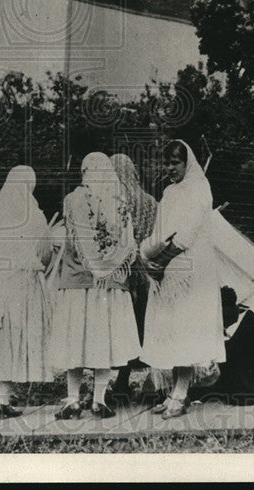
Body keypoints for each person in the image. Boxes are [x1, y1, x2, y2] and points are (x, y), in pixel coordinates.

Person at [50, 152, 140, 420]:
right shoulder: (119, 201)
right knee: (104, 342)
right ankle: (99, 400)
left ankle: (72, 400)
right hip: (109, 286)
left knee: (74, 342)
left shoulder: (73, 200)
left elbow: (69, 240)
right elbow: (129, 247)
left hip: (77, 282)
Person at [139, 140, 225, 419]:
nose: (170, 168)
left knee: (186, 325)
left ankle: (182, 392)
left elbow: (188, 232)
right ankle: (173, 390)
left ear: (187, 162)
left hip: (191, 267)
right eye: (166, 163)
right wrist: (150, 258)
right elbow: (160, 229)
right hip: (168, 266)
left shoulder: (199, 188)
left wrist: (162, 262)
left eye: (175, 162)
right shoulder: (169, 192)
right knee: (171, 327)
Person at [0, 166, 54, 419]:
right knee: (17, 336)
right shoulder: (35, 214)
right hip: (21, 281)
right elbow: (45, 253)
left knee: (0, 338)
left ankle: (4, 396)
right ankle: (5, 397)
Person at [109, 153, 157, 400]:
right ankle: (155, 381)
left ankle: (121, 382)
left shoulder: (114, 201)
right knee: (148, 325)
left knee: (125, 328)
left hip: (124, 272)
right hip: (148, 270)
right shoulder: (149, 201)